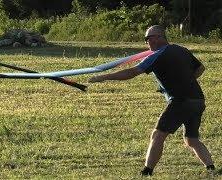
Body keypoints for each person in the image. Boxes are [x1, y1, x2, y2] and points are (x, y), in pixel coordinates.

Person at [88, 25, 215, 176]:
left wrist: (103, 77)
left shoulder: (157, 55)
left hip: (181, 101)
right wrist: (186, 81)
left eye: (147, 39)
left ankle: (147, 172)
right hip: (198, 101)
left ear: (157, 38)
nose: (146, 43)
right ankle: (211, 169)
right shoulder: (181, 49)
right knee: (191, 139)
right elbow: (201, 68)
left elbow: (133, 72)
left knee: (158, 135)